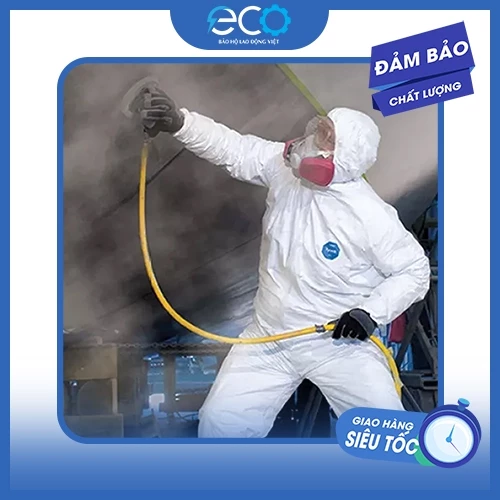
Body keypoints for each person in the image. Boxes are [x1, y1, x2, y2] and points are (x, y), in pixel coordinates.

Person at [140, 87, 431, 438]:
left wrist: (371, 313)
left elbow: (414, 270)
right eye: (320, 127)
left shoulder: (370, 216)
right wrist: (180, 123)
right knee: (220, 425)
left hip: (337, 344)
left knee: (387, 431)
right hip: (269, 337)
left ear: (342, 157)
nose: (313, 137)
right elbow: (235, 149)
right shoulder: (286, 171)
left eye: (326, 136)